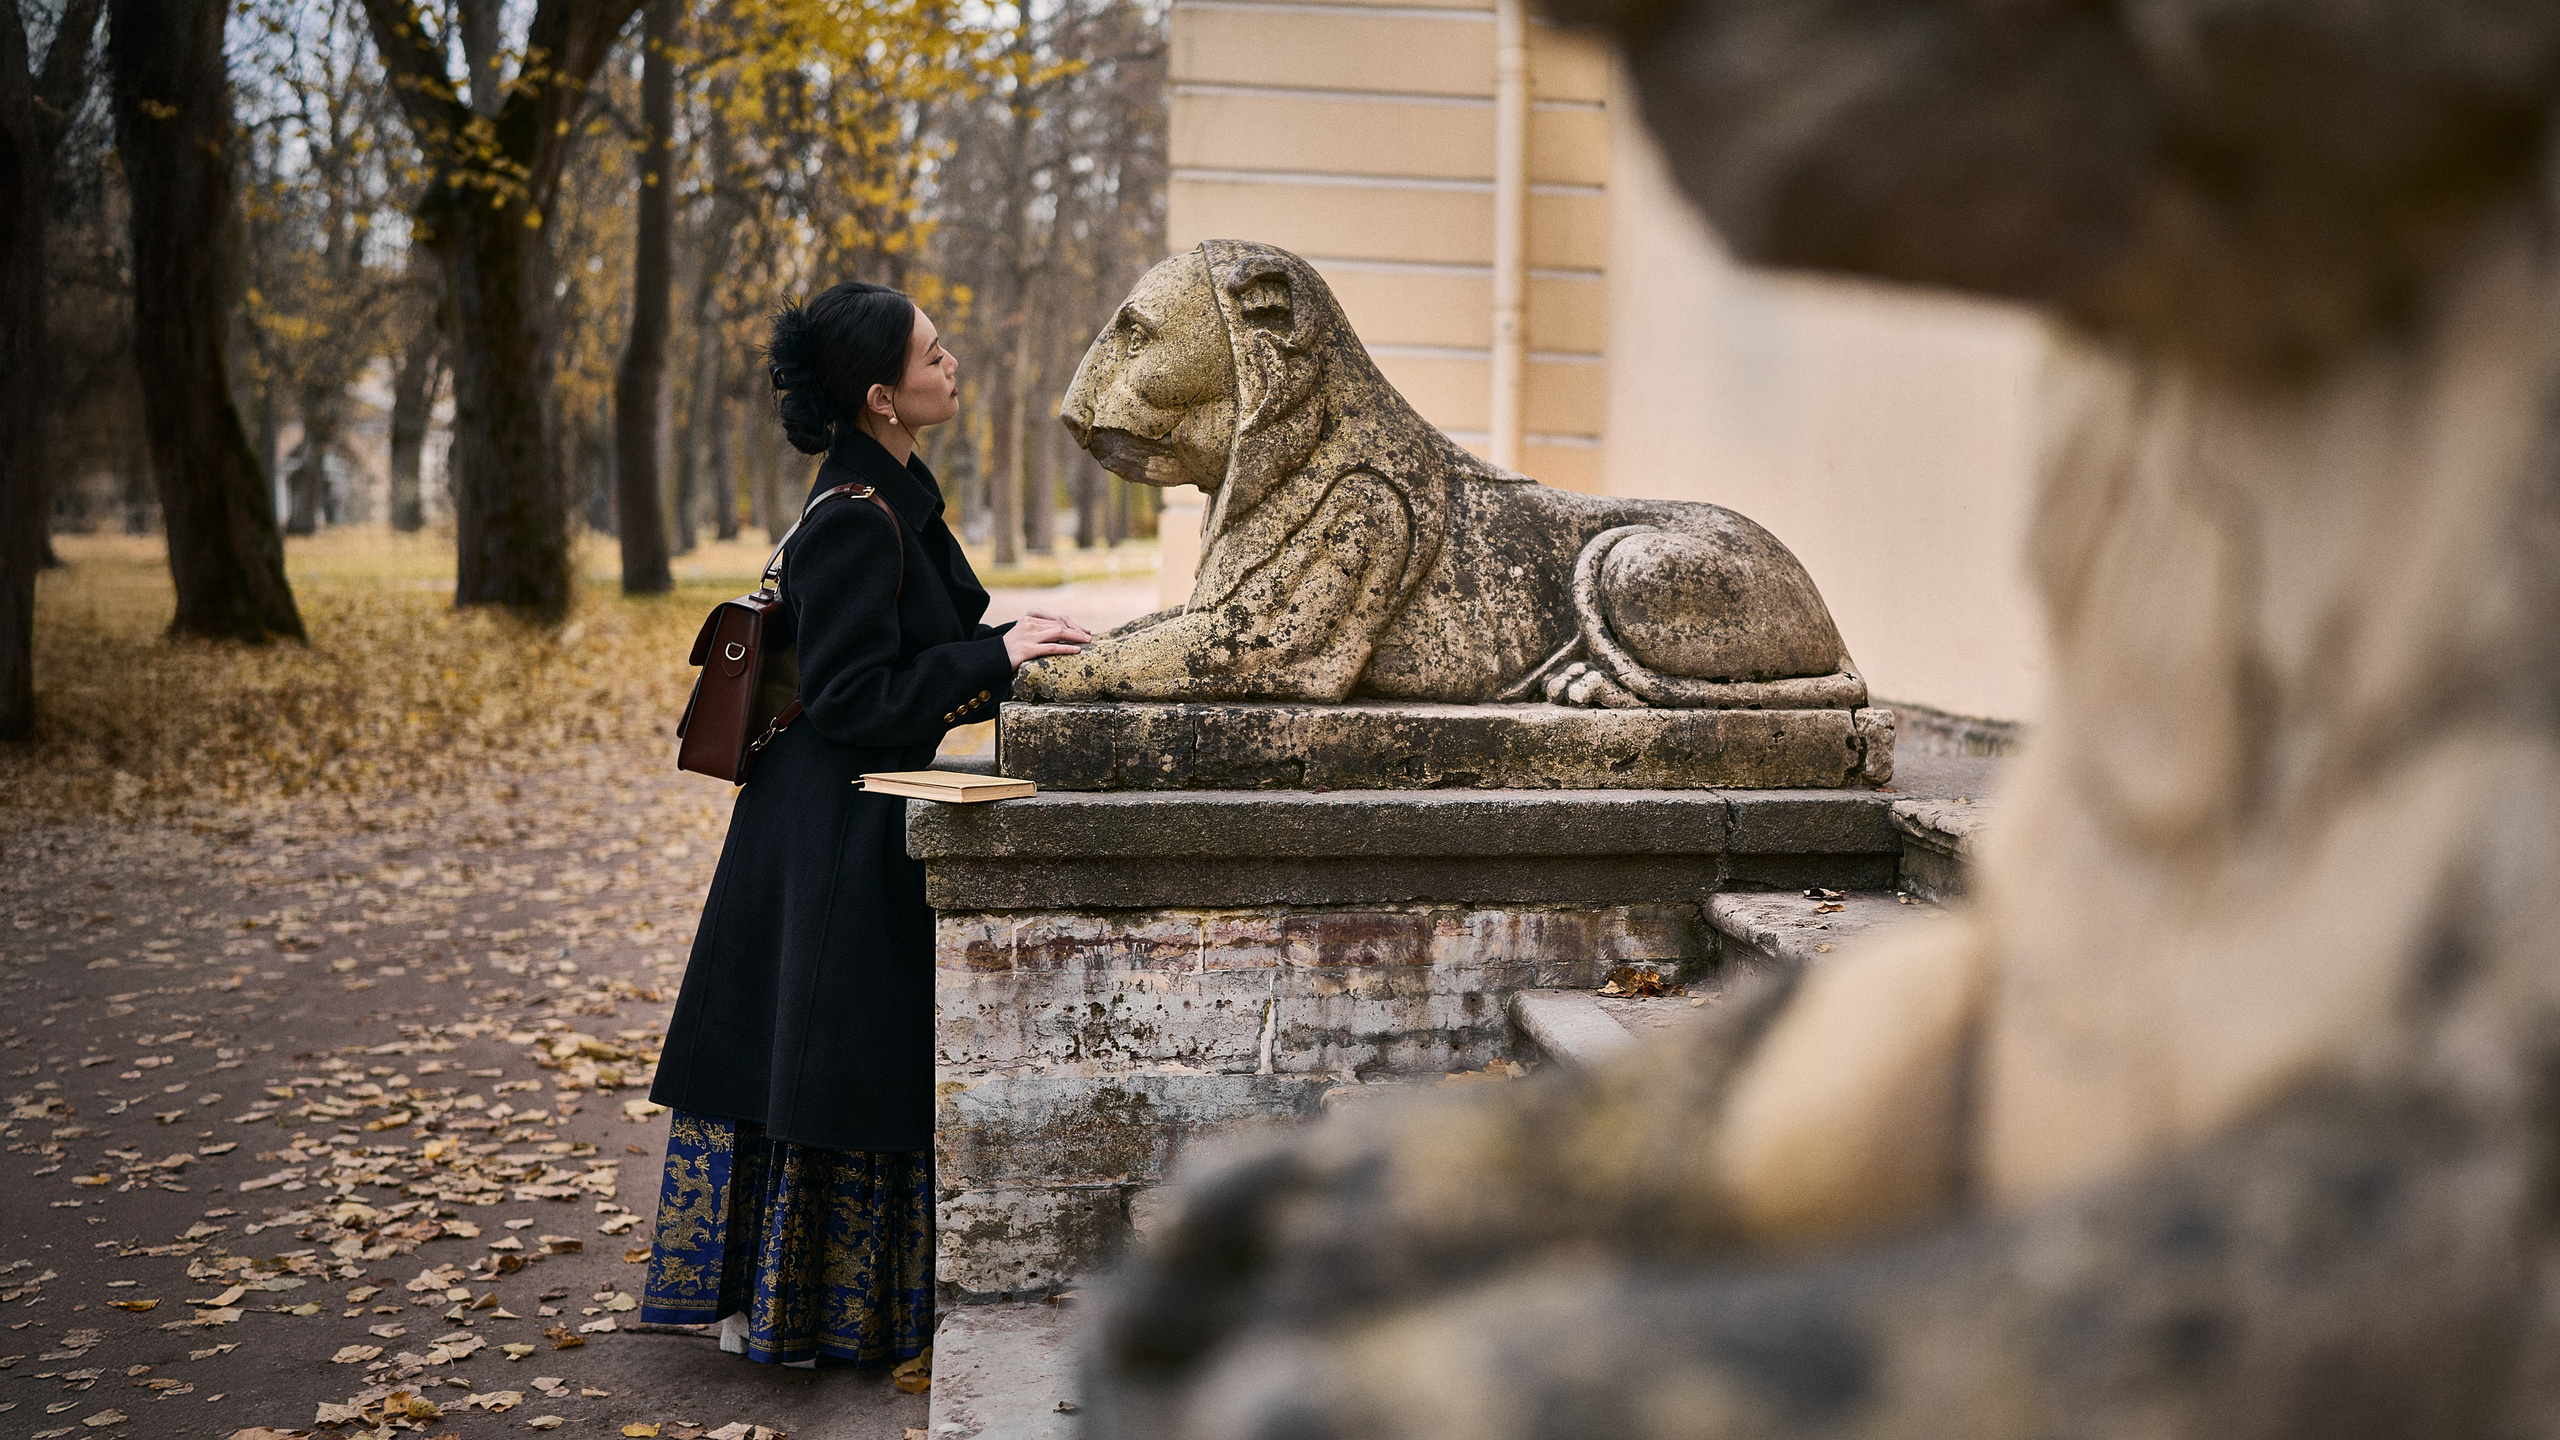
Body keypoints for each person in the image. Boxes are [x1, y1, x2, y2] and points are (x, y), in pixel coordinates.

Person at [637, 281, 1090, 1368]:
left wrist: (1020, 636)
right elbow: (848, 698)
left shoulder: (895, 489)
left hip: (857, 819)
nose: (953, 365)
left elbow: (944, 630)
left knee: (833, 1061)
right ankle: (790, 1319)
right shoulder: (853, 515)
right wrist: (997, 656)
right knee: (821, 1065)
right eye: (934, 357)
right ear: (883, 396)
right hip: (824, 828)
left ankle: (820, 1308)